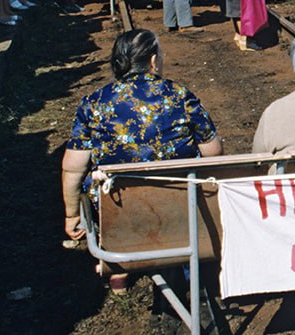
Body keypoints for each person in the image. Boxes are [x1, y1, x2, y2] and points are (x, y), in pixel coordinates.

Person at [62, 30, 221, 289]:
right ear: (153, 61)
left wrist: (71, 215)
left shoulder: (93, 103)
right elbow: (213, 152)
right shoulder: (180, 95)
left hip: (117, 206)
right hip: (178, 200)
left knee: (98, 183)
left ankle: (118, 266)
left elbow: (73, 168)